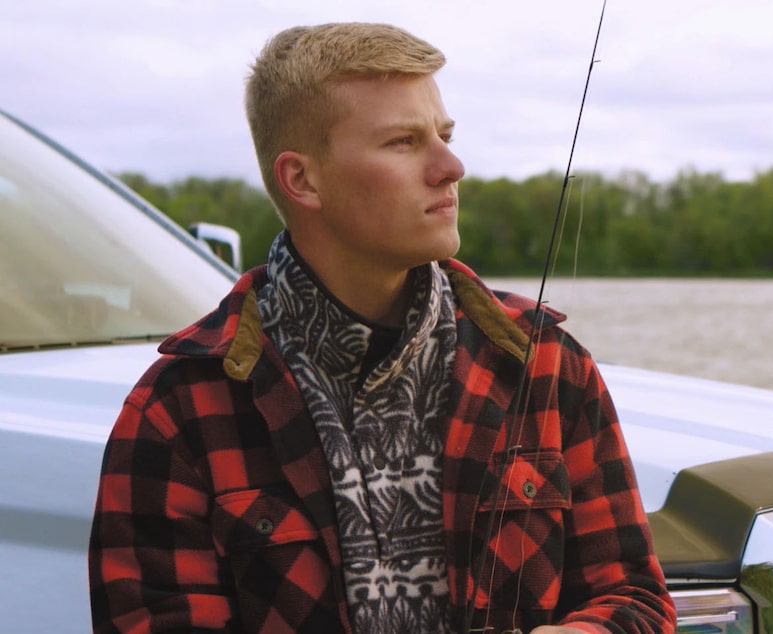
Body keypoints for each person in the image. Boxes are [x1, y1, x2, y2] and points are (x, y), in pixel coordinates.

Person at [88, 22, 675, 634]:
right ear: (302, 179)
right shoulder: (178, 410)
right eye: (403, 142)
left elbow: (634, 596)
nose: (451, 166)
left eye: (444, 136)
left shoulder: (547, 361)